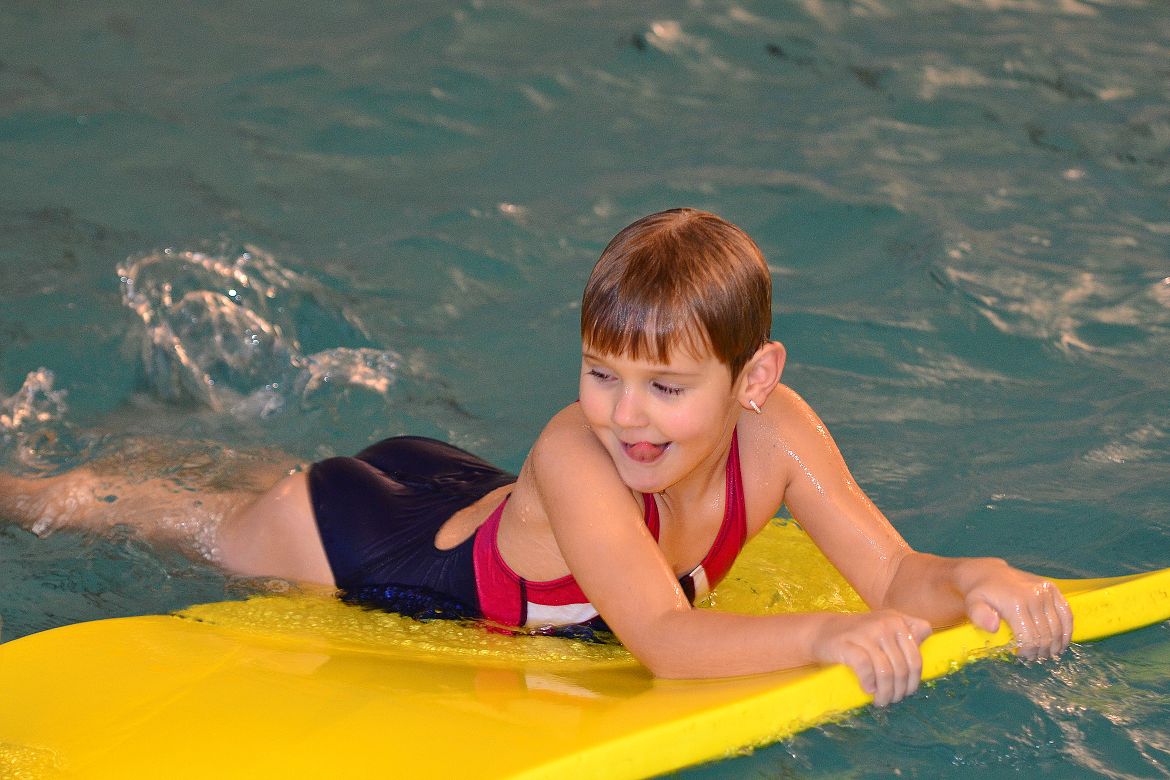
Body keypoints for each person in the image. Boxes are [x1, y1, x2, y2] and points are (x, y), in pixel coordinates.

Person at [0, 208, 1072, 706]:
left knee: (192, 482)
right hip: (360, 542)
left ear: (754, 377)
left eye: (665, 387)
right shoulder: (579, 447)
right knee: (108, 509)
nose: (625, 414)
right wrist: (829, 635)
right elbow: (665, 641)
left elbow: (894, 575)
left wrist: (977, 580)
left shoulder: (781, 431)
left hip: (466, 496)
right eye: (601, 372)